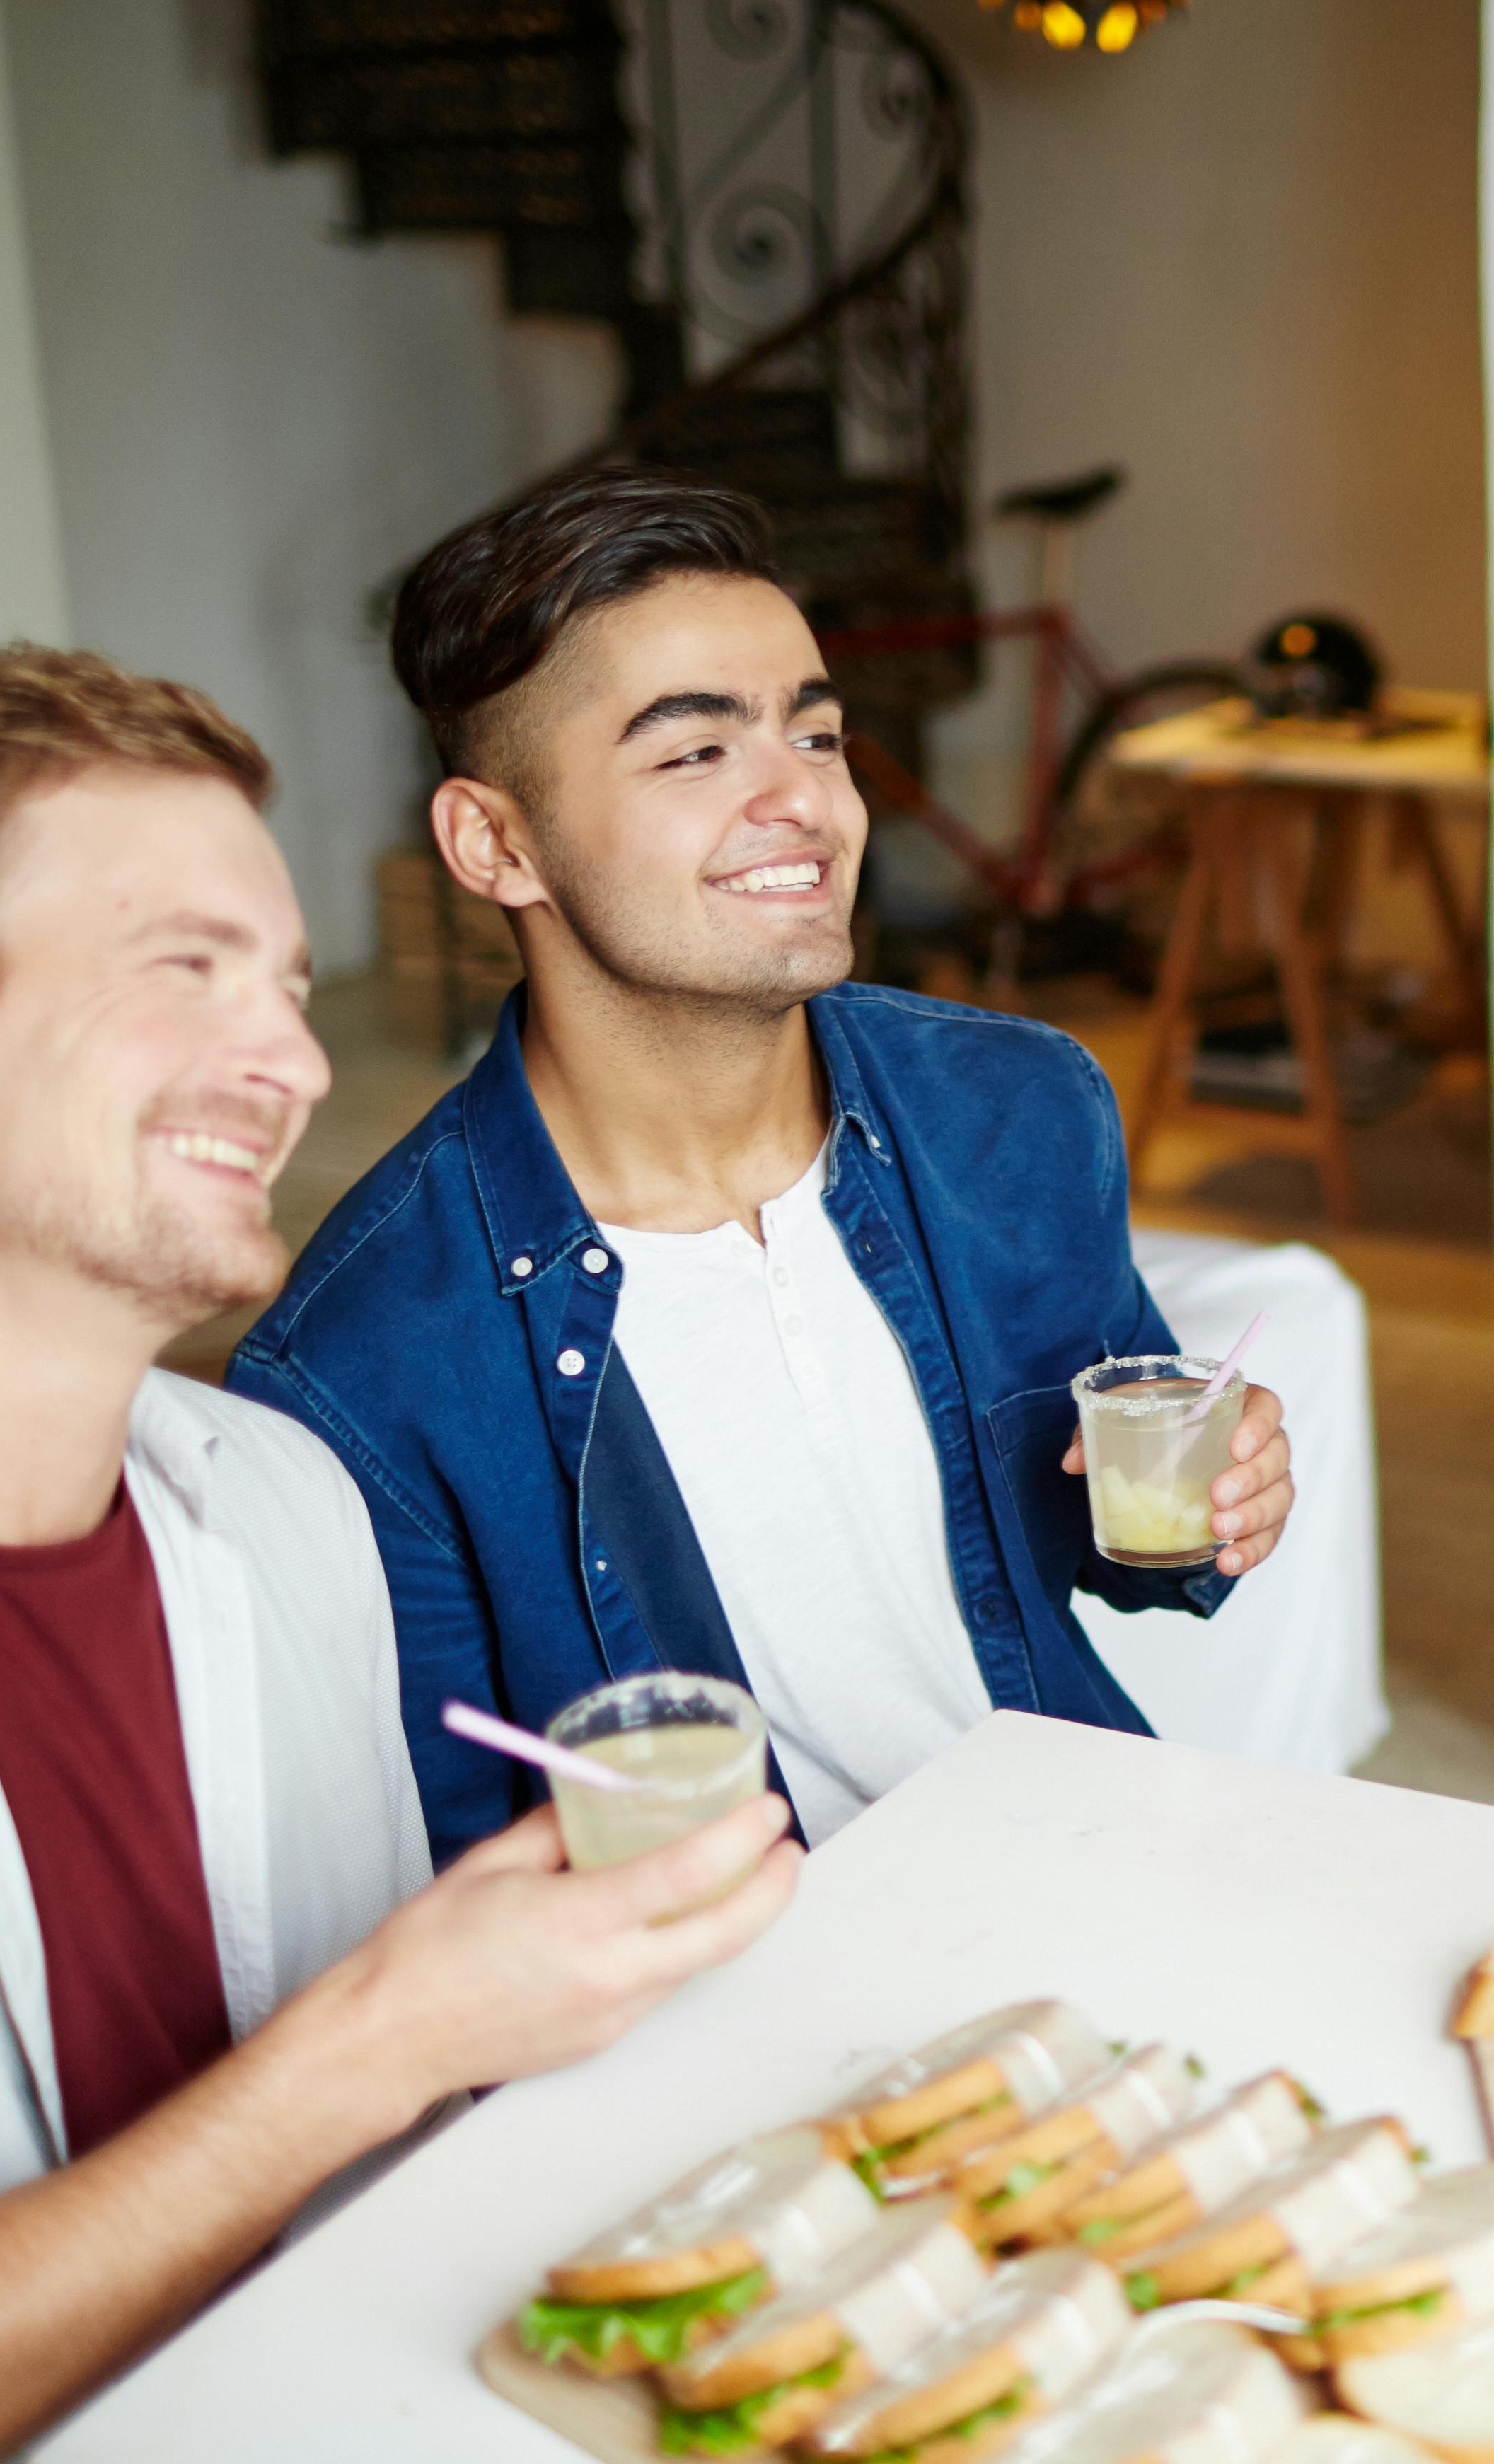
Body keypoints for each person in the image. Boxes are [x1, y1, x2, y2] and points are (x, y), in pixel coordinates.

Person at [0, 649, 798, 2464]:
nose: (291, 1055)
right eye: (185, 968)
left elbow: (395, 2182)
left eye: (285, 984)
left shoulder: (282, 1499)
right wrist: (387, 2038)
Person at [228, 466, 1297, 1862]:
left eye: (821, 734)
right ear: (495, 843)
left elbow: (1114, 1532)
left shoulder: (1013, 1110)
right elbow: (447, 1858)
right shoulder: (367, 1365)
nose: (806, 802)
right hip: (727, 2009)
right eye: (696, 752)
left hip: (1084, 1868)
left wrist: (1214, 1505)